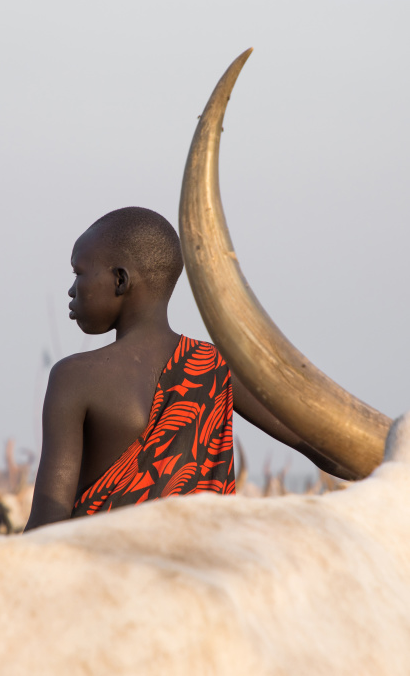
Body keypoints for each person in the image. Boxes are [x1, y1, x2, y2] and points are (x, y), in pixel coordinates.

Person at [25, 207, 343, 531]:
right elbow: (326, 450)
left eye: (79, 273)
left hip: (105, 574)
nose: (71, 289)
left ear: (120, 280)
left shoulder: (73, 377)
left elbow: (47, 523)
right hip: (197, 573)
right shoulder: (217, 367)